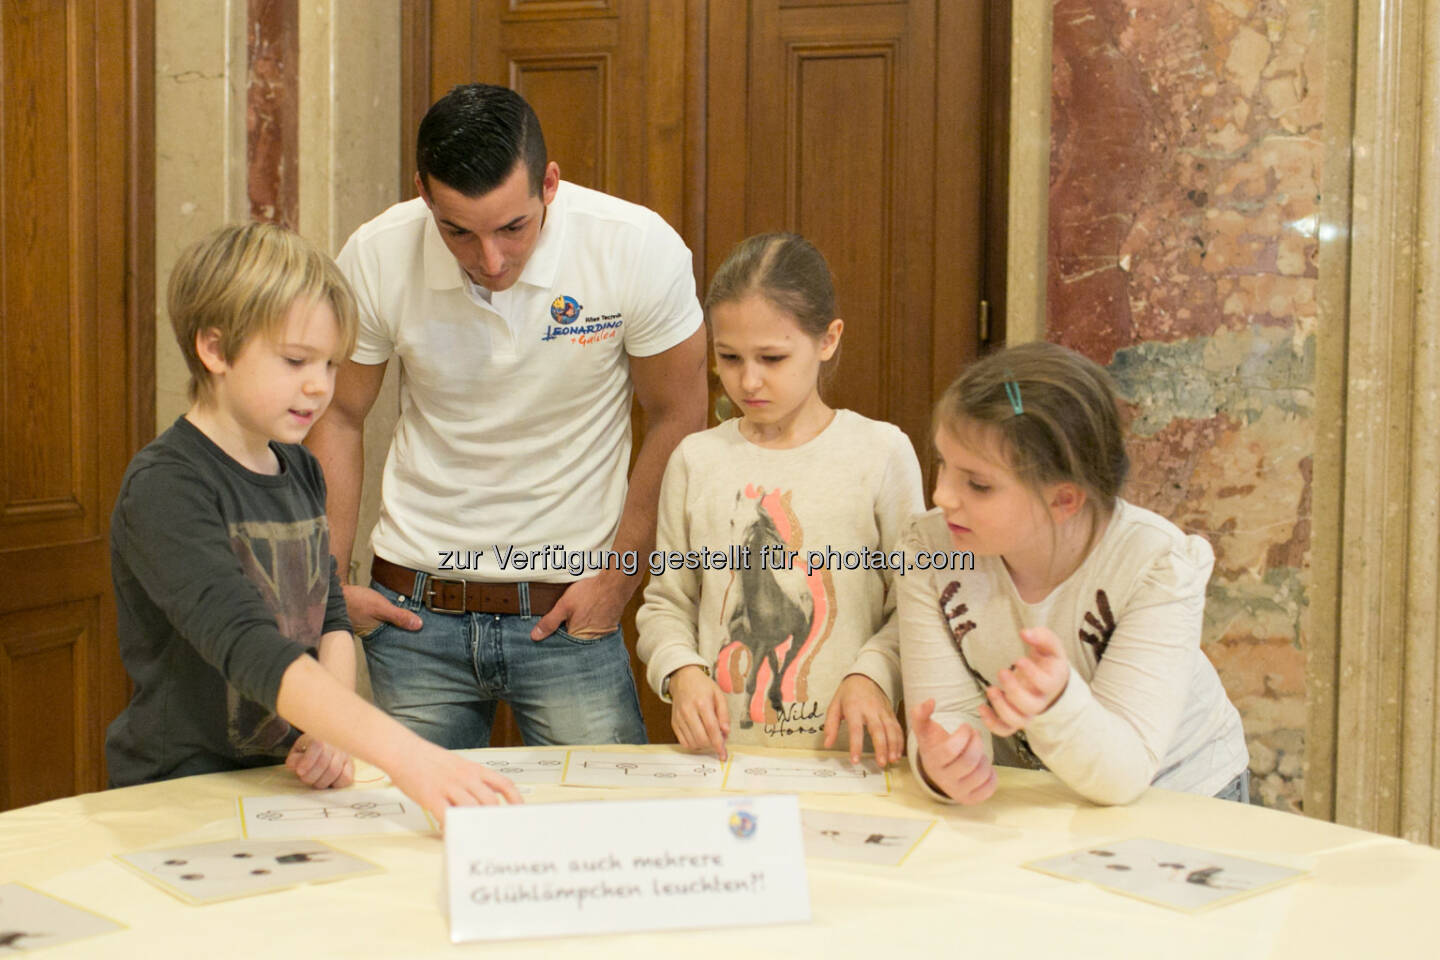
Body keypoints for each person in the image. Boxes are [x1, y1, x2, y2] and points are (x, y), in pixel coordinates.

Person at [305, 83, 707, 749]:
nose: (489, 260)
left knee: (603, 833)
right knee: (408, 842)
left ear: (549, 184)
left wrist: (621, 577)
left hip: (571, 610)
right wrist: (323, 589)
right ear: (424, 195)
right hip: (412, 612)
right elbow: (339, 416)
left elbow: (679, 412)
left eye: (512, 228)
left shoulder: (634, 247)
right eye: (457, 231)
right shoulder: (378, 254)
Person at [105, 223, 521, 822]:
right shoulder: (168, 486)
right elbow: (251, 647)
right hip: (179, 792)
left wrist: (331, 730)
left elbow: (328, 614)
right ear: (215, 350)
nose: (319, 386)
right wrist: (412, 759)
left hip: (286, 783)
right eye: (296, 360)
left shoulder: (299, 468)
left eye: (330, 363)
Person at [900, 341, 1249, 806]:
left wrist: (1057, 703)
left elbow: (1123, 774)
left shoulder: (1157, 565)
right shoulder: (928, 549)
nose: (942, 495)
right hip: (1044, 796)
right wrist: (945, 766)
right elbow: (947, 713)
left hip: (1182, 793)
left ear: (1065, 500)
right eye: (942, 464)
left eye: (978, 484)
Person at [637, 233, 924, 764]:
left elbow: (916, 606)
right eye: (728, 356)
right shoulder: (695, 460)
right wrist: (682, 671)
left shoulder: (881, 453)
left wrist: (874, 676)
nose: (748, 380)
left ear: (828, 339)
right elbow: (667, 603)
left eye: (772, 357)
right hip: (723, 762)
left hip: (848, 760)